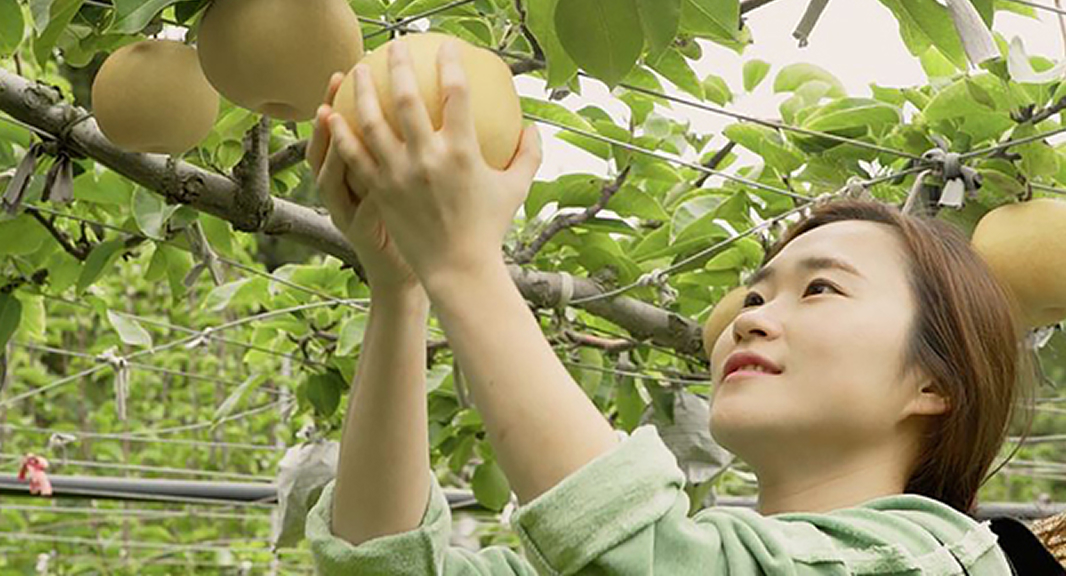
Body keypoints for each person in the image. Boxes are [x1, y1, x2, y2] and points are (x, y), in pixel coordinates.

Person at [300, 39, 1054, 574]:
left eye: (821, 288)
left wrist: (463, 263)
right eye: (756, 293)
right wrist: (400, 287)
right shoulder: (704, 550)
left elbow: (644, 555)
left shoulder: (938, 558)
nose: (752, 316)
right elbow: (387, 567)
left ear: (935, 383)